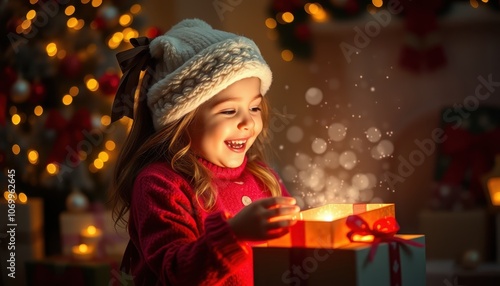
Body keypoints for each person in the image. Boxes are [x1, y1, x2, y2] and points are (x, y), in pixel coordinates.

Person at [109, 18, 300, 286]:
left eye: (254, 108)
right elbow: (176, 273)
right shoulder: (160, 185)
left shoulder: (263, 177)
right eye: (229, 111)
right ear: (183, 119)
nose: (248, 123)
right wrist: (234, 234)